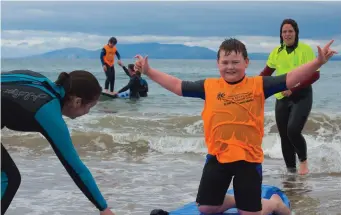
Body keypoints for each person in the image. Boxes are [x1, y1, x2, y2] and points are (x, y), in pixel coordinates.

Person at [134, 38, 336, 215]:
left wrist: (318, 61)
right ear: (218, 63)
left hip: (248, 159)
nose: (230, 67)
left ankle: (273, 204)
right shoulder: (209, 86)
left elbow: (291, 77)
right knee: (205, 208)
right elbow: (178, 86)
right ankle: (241, 201)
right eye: (225, 62)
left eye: (235, 62)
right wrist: (149, 71)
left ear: (246, 63)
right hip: (218, 156)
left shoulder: (259, 85)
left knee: (250, 213)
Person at [1, 70, 115, 215]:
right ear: (77, 101)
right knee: (8, 177)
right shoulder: (48, 111)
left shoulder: (42, 82)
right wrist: (103, 208)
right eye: (89, 107)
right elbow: (76, 168)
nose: (87, 112)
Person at [259, 19, 320, 175]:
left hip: (302, 95)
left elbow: (315, 75)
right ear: (281, 34)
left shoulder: (305, 50)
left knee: (293, 130)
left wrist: (294, 88)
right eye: (284, 31)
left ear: (296, 32)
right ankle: (291, 173)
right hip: (282, 98)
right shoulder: (277, 52)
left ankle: (303, 162)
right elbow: (266, 74)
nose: (287, 34)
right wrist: (250, 86)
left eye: (290, 31)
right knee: (284, 136)